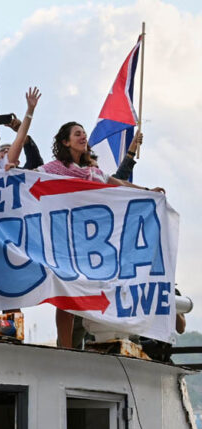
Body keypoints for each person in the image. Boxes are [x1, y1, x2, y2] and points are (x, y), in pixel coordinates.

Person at [37, 121, 164, 347]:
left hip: (93, 246)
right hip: (67, 243)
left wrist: (147, 192)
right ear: (65, 142)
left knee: (92, 295)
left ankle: (88, 345)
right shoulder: (53, 170)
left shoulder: (94, 173)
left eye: (84, 134)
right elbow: (30, 179)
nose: (83, 137)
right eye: (78, 134)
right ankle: (65, 348)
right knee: (65, 295)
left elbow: (118, 183)